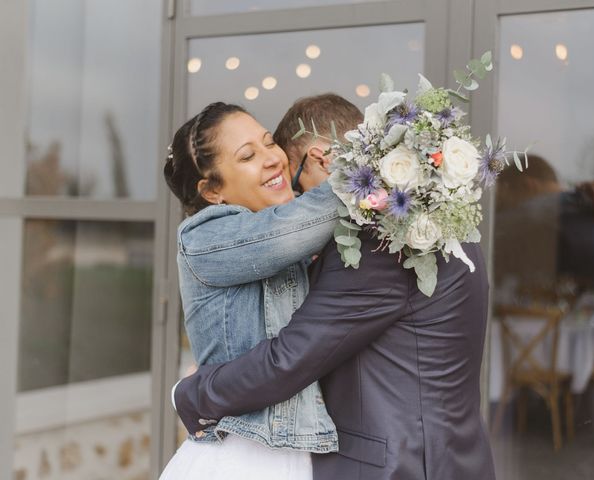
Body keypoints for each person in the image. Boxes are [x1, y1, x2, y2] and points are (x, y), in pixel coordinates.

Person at [173, 94, 496, 480]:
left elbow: (291, 358)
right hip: (450, 454)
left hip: (402, 465)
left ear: (320, 160)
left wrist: (192, 392)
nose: (296, 203)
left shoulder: (378, 239)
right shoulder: (437, 219)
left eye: (297, 188)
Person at [159, 100, 361, 479]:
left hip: (299, 453)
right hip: (240, 458)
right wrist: (373, 169)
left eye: (270, 143)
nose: (272, 159)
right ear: (212, 190)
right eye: (248, 155)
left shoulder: (299, 225)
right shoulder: (204, 236)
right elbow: (289, 230)